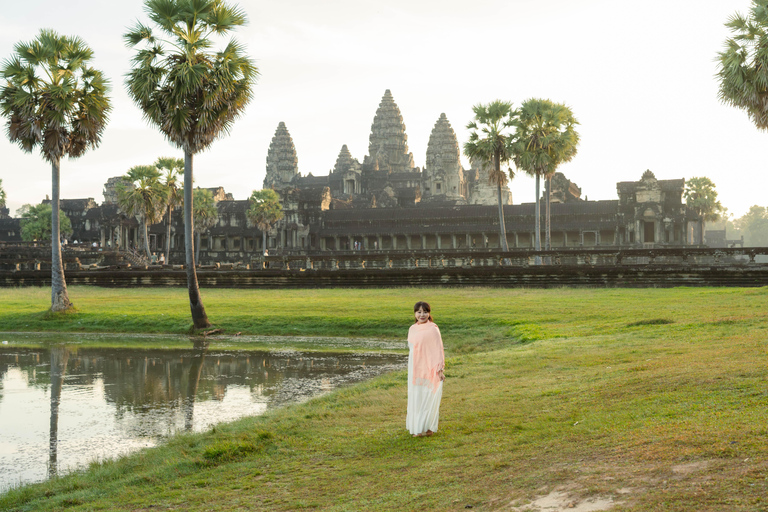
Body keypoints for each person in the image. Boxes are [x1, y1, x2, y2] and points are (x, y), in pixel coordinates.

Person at [406, 301, 445, 437]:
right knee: (417, 396)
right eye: (419, 312)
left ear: (429, 313)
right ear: (415, 314)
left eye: (425, 312)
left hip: (429, 368)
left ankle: (428, 428)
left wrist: (439, 370)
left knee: (429, 396)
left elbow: (437, 350)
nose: (422, 315)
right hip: (415, 368)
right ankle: (418, 427)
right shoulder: (413, 328)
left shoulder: (433, 329)